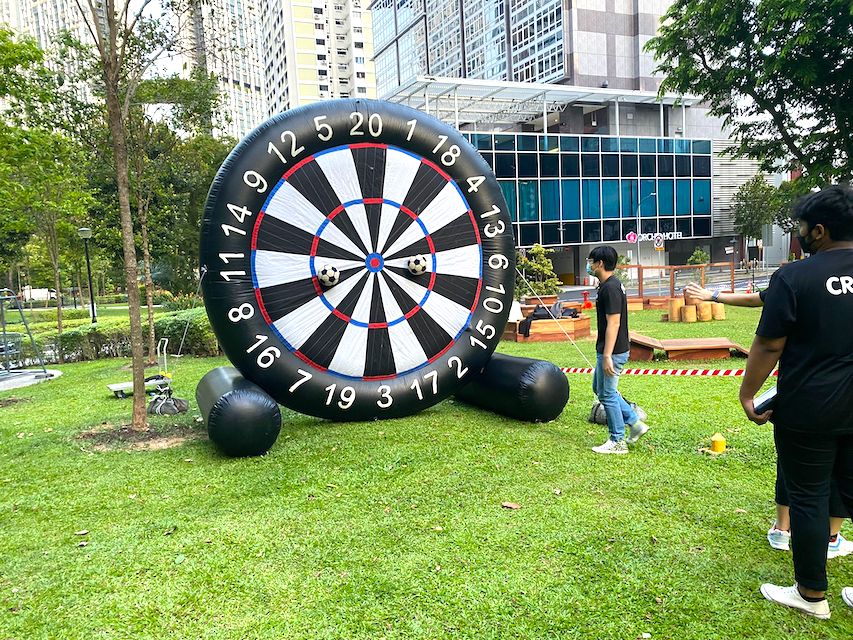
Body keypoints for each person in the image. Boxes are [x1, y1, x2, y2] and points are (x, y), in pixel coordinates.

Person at [738, 185, 853, 618]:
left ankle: (811, 594)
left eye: (802, 227)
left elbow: (769, 344)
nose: (800, 234)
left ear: (819, 231)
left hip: (809, 408)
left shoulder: (794, 277)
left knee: (808, 495)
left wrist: (748, 393)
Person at [685, 282, 853, 559]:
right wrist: (712, 296)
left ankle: (784, 531)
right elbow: (762, 307)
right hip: (841, 397)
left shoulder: (794, 277)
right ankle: (828, 538)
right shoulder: (797, 277)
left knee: (795, 468)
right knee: (837, 470)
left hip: (801, 394)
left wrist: (747, 394)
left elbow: (766, 332)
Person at [587, 246, 650, 454]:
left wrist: (607, 355)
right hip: (608, 349)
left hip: (613, 351)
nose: (589, 265)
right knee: (600, 389)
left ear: (600, 264)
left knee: (607, 394)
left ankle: (617, 441)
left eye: (591, 261)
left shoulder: (611, 288)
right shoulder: (607, 285)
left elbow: (614, 323)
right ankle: (635, 423)